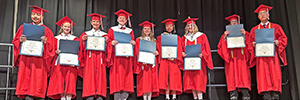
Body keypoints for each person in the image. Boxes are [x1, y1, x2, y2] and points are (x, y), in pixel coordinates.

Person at [12, 5, 55, 100]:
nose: (35, 16)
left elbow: (52, 49)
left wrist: (46, 43)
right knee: (25, 85)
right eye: (33, 14)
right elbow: (15, 42)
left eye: (38, 15)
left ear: (42, 17)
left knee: (37, 84)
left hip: (39, 61)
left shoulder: (47, 31)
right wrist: (20, 40)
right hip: (26, 60)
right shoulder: (23, 27)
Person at [249, 4, 287, 100]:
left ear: (268, 14)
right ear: (258, 17)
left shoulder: (276, 27)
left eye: (264, 13)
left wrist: (278, 42)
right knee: (262, 74)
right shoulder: (254, 30)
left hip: (272, 55)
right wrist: (252, 44)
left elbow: (284, 39)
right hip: (261, 56)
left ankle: (275, 94)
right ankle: (265, 95)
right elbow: (249, 43)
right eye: (260, 14)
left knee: (274, 73)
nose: (263, 15)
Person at [217, 14, 251, 100]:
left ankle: (246, 94)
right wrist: (224, 38)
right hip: (231, 59)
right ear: (229, 24)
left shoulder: (244, 33)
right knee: (231, 76)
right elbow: (221, 48)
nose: (234, 24)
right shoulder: (225, 35)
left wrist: (246, 35)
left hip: (242, 58)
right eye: (232, 22)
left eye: (236, 22)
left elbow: (250, 46)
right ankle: (233, 95)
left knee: (243, 76)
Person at [47, 16, 79, 100]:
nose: (67, 28)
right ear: (61, 27)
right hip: (59, 63)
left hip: (70, 63)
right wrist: (55, 51)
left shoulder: (75, 39)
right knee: (59, 82)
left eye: (68, 27)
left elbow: (78, 51)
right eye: (65, 26)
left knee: (70, 82)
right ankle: (62, 98)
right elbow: (50, 50)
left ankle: (68, 98)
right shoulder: (56, 38)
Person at [181, 17, 214, 100]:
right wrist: (182, 53)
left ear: (195, 26)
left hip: (199, 62)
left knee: (198, 80)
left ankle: (200, 98)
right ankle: (195, 98)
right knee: (191, 80)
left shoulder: (202, 36)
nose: (189, 27)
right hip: (188, 63)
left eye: (191, 25)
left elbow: (206, 48)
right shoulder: (184, 38)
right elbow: (180, 49)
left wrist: (203, 54)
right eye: (188, 26)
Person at [106, 9, 135, 100]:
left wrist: (133, 44)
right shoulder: (112, 29)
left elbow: (133, 43)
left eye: (124, 18)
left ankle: (124, 97)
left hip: (126, 58)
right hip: (116, 57)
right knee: (116, 75)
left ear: (126, 20)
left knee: (126, 76)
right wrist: (111, 43)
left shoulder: (130, 31)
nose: (122, 20)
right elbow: (108, 42)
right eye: (120, 18)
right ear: (117, 19)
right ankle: (116, 97)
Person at [79, 13, 108, 100]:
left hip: (100, 58)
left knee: (100, 75)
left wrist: (107, 43)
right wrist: (83, 41)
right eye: (94, 21)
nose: (95, 23)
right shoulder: (86, 34)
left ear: (100, 23)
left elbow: (108, 50)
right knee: (89, 75)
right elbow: (81, 48)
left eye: (97, 22)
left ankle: (99, 93)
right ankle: (89, 94)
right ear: (91, 22)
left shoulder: (104, 35)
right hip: (89, 58)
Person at [157, 18, 183, 100]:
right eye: (167, 26)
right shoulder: (161, 37)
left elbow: (179, 48)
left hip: (174, 60)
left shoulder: (177, 38)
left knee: (174, 78)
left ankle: (174, 96)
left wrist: (175, 57)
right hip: (165, 60)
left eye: (170, 26)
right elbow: (158, 47)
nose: (169, 27)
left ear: (173, 27)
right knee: (166, 78)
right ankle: (167, 96)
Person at [134, 21, 159, 100]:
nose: (147, 30)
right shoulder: (139, 40)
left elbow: (158, 51)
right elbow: (137, 51)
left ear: (151, 30)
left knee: (151, 81)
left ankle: (149, 98)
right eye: (145, 29)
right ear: (143, 30)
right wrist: (141, 60)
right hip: (143, 64)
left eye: (148, 29)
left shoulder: (154, 40)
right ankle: (145, 98)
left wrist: (156, 52)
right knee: (144, 82)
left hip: (151, 64)